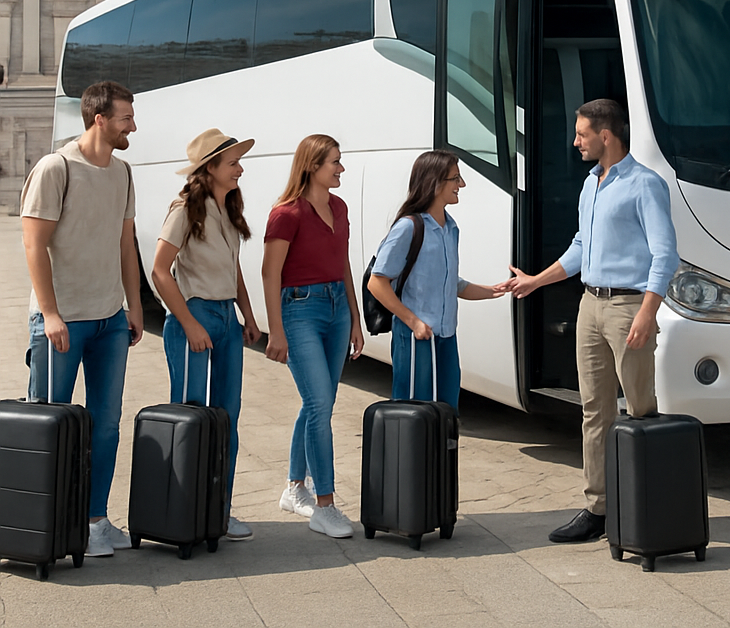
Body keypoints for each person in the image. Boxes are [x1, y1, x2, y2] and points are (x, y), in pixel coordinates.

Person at [509, 99, 678, 543]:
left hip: (628, 308)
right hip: (590, 306)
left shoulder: (645, 185)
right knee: (594, 412)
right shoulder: (591, 184)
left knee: (640, 407)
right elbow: (581, 246)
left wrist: (647, 311)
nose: (576, 141)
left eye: (582, 134)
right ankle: (599, 508)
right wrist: (536, 281)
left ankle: (649, 503)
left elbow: (665, 255)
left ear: (607, 135)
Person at [20, 80, 144, 557]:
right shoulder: (56, 168)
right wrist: (50, 314)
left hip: (110, 320)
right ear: (99, 119)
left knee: (106, 425)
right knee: (49, 424)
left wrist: (132, 306)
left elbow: (125, 245)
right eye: (125, 118)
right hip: (62, 322)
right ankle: (44, 519)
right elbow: (34, 244)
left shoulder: (124, 172)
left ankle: (95, 521)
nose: (132, 125)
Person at [150, 129, 261, 541]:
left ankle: (220, 510)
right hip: (192, 315)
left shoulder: (229, 210)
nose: (240, 169)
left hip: (226, 320)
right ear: (210, 168)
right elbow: (160, 271)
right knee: (190, 415)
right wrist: (189, 324)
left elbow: (233, 269)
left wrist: (248, 314)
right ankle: (184, 511)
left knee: (227, 418)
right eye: (233, 163)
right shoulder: (184, 209)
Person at [261, 134, 364, 538]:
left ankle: (294, 487)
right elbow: (270, 273)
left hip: (337, 308)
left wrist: (355, 318)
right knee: (320, 404)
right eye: (334, 162)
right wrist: (276, 330)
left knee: (319, 402)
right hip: (300, 308)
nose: (340, 169)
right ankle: (325, 505)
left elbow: (344, 267)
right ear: (312, 166)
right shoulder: (286, 213)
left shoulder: (339, 207)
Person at [367, 150, 510, 412]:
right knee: (414, 415)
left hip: (446, 336)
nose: (462, 185)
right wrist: (414, 322)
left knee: (446, 414)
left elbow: (449, 283)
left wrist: (493, 291)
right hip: (416, 338)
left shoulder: (450, 228)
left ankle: (441, 455)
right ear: (434, 183)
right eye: (455, 178)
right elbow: (377, 282)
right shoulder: (408, 227)